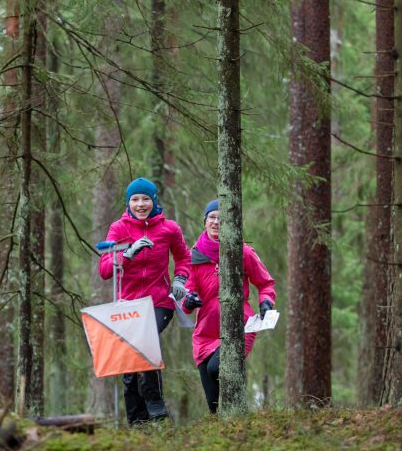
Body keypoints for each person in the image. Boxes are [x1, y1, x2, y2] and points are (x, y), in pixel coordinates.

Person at [98, 177, 191, 425]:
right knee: (129, 363)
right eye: (135, 199)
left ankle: (156, 406)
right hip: (127, 304)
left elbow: (184, 258)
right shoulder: (119, 229)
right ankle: (137, 419)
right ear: (128, 203)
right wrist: (127, 254)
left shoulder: (169, 229)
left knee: (145, 336)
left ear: (154, 200)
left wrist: (180, 280)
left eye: (145, 199)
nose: (141, 204)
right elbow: (105, 270)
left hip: (159, 302)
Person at [182, 199, 276, 413]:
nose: (216, 222)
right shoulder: (194, 256)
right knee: (212, 400)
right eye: (212, 217)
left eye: (221, 218)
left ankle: (239, 411)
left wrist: (266, 301)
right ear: (205, 221)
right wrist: (187, 300)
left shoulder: (242, 252)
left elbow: (265, 283)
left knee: (217, 368)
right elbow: (186, 294)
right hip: (205, 332)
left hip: (241, 326)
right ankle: (225, 431)